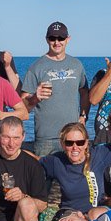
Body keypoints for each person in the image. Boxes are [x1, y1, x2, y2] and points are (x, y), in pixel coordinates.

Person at [21, 21, 89, 157]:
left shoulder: (77, 65)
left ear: (68, 39)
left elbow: (85, 93)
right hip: (46, 139)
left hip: (73, 137)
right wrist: (35, 98)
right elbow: (23, 108)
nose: (57, 42)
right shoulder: (36, 67)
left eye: (61, 38)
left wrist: (83, 116)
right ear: (47, 39)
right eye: (53, 38)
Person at [39, 122, 111, 213]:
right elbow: (34, 162)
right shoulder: (56, 161)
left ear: (86, 143)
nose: (75, 147)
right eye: (69, 143)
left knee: (96, 214)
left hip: (97, 213)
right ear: (62, 144)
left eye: (80, 143)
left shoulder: (99, 155)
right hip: (70, 214)